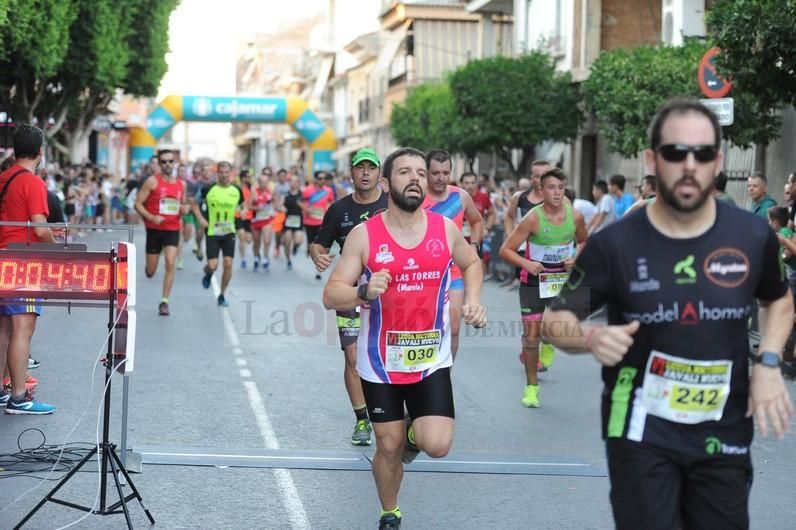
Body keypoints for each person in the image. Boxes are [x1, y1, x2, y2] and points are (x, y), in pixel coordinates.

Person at [543, 98, 793, 530]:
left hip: (725, 424)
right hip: (640, 427)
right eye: (676, 152)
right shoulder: (614, 245)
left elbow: (779, 299)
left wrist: (769, 361)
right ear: (652, 159)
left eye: (702, 154)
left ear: (718, 161)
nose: (689, 165)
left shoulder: (752, 235)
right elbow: (555, 320)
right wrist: (589, 339)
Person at [322, 147, 486, 530]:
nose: (415, 178)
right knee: (389, 446)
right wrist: (363, 293)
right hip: (380, 363)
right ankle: (390, 512)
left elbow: (472, 262)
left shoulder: (443, 229)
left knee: (437, 444)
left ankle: (414, 427)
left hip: (430, 358)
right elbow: (331, 294)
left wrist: (473, 300)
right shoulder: (365, 236)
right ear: (386, 184)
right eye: (404, 173)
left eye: (420, 173)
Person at [311, 148, 388, 447]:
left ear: (380, 173)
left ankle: (393, 409)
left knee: (388, 353)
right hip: (351, 294)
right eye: (360, 168)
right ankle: (362, 419)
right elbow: (319, 244)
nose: (366, 173)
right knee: (353, 356)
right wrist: (318, 256)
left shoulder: (392, 205)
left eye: (371, 167)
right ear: (352, 173)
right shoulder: (338, 209)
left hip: (389, 292)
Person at [499, 169, 587, 407]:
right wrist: (528, 263)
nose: (557, 193)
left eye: (561, 187)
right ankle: (531, 387)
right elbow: (505, 250)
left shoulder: (575, 217)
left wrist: (575, 259)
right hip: (534, 282)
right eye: (551, 188)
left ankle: (548, 343)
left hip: (561, 281)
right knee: (530, 338)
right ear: (542, 190)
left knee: (555, 330)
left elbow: (585, 242)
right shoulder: (533, 218)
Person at [0, 124, 56, 414]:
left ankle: (1, 390)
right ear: (40, 151)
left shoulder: (3, 178)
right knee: (23, 327)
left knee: (4, 329)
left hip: (2, 258)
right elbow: (39, 225)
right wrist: (55, 242)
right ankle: (19, 397)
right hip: (24, 263)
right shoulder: (33, 182)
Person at [423, 150, 484, 361]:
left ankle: (444, 376)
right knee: (425, 327)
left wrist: (474, 245)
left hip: (454, 273)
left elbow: (476, 221)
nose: (441, 178)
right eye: (435, 173)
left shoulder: (460, 196)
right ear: (426, 172)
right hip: (424, 274)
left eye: (445, 173)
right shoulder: (417, 196)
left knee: (454, 328)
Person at [134, 149, 189, 316]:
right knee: (151, 271)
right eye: (164, 161)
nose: (167, 165)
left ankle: (164, 301)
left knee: (170, 262)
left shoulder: (182, 184)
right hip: (154, 230)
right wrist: (152, 216)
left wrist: (184, 209)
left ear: (174, 163)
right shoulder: (152, 181)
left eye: (170, 161)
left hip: (172, 229)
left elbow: (183, 205)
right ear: (159, 163)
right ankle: (149, 269)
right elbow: (138, 204)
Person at [195, 161, 243, 307]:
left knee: (228, 264)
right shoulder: (208, 189)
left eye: (226, 172)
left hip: (229, 232)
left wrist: (243, 211)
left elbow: (242, 204)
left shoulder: (236, 190)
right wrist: (201, 219)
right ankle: (208, 273)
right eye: (221, 172)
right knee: (212, 265)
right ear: (217, 173)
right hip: (212, 232)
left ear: (231, 173)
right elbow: (194, 204)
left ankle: (222, 295)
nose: (223, 175)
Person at [459, 172, 495, 278]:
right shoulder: (455, 196)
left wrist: (487, 227)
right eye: (467, 183)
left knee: (477, 268)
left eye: (472, 183)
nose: (470, 186)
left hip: (476, 239)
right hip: (459, 239)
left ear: (476, 184)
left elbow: (492, 213)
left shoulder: (483, 197)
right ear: (461, 184)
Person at [302, 171, 335, 277]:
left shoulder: (328, 190)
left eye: (324, 178)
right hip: (309, 221)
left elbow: (331, 203)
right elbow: (300, 202)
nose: (322, 180)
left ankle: (318, 270)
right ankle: (310, 250)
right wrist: (306, 209)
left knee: (320, 245)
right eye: (320, 178)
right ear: (315, 179)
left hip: (322, 221)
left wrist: (329, 211)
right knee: (310, 245)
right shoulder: (308, 190)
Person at [250, 169, 278, 271]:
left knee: (266, 240)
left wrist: (274, 209)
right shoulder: (254, 192)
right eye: (261, 182)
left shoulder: (271, 191)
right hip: (256, 220)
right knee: (256, 242)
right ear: (258, 182)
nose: (263, 184)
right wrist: (257, 208)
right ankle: (257, 257)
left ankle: (266, 258)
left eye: (265, 182)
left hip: (267, 219)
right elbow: (249, 206)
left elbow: (275, 203)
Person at [280, 174, 304, 269]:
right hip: (288, 221)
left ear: (298, 183)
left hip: (298, 221)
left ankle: (295, 247)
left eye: (295, 181)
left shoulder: (302, 194)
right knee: (287, 242)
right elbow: (279, 205)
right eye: (291, 181)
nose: (293, 183)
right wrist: (281, 208)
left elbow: (307, 205)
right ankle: (288, 260)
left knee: (298, 240)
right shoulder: (285, 194)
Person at [235, 169, 254, 269]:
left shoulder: (251, 188)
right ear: (243, 178)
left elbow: (252, 202)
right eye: (248, 177)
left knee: (249, 240)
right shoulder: (237, 188)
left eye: (250, 177)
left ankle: (243, 255)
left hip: (249, 217)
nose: (249, 179)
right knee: (241, 237)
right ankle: (243, 259)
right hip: (238, 216)